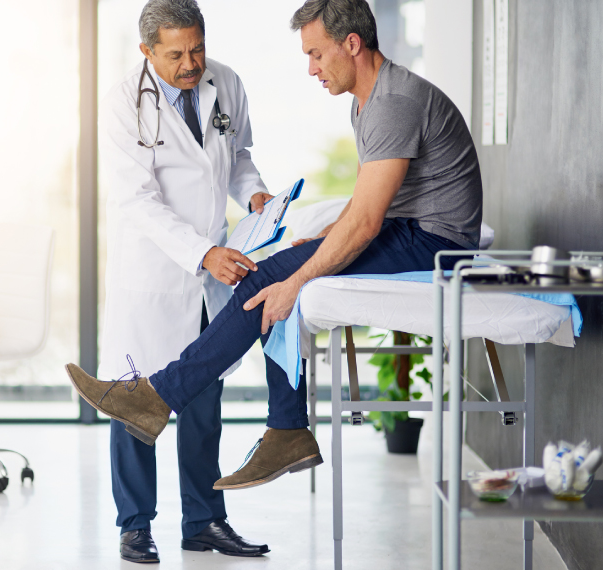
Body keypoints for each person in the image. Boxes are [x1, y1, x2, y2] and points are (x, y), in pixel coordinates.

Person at [71, 0, 482, 497]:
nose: (310, 67)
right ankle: (276, 431)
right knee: (279, 278)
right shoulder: (371, 99)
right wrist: (328, 241)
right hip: (160, 265)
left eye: (315, 54)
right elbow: (368, 204)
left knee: (275, 282)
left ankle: (173, 402)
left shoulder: (390, 103)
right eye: (177, 54)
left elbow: (367, 219)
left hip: (433, 243)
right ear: (147, 52)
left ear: (351, 45)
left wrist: (303, 266)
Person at [96, 0, 272, 563]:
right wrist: (203, 253)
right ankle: (134, 525)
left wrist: (254, 195)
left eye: (197, 48)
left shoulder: (226, 81)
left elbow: (237, 156)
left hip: (210, 273)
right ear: (147, 51)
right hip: (152, 271)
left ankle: (204, 522)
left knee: (202, 400)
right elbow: (136, 199)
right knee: (133, 401)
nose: (192, 63)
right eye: (176, 54)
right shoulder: (125, 102)